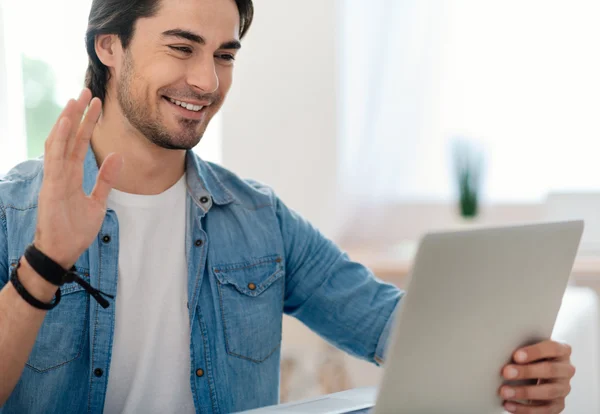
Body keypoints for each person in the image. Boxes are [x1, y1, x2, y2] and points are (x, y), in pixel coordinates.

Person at [0, 0, 575, 413]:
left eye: (225, 55)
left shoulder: (257, 219)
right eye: (182, 47)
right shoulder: (13, 213)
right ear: (110, 46)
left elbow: (391, 324)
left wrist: (519, 369)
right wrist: (48, 258)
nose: (206, 80)